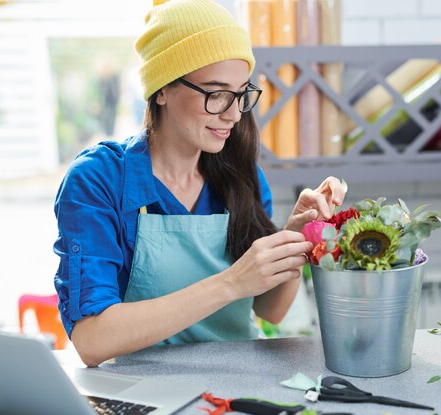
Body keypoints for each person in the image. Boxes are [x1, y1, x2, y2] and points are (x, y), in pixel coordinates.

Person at [53, 0, 345, 367]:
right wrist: (231, 283)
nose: (233, 113)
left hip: (237, 380)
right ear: (161, 89)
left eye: (241, 94)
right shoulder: (99, 180)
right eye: (216, 92)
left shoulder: (242, 175)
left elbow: (271, 309)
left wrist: (297, 237)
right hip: (138, 390)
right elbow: (92, 340)